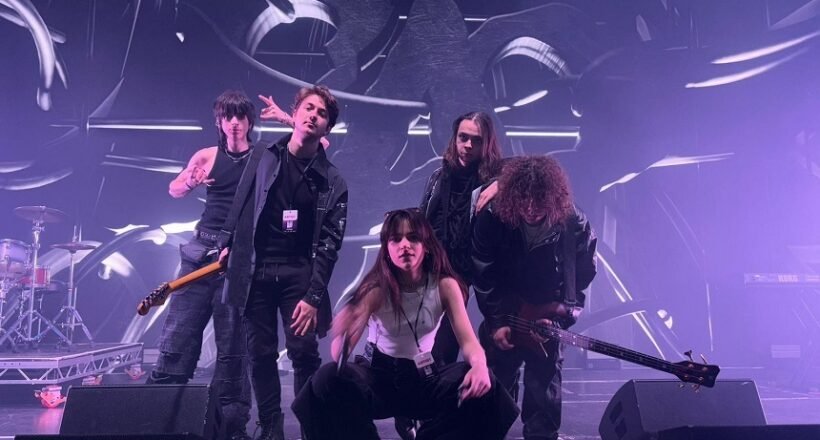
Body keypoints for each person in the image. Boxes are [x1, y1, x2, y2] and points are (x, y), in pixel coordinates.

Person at [292, 208, 519, 440]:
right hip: (379, 379)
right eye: (396, 239)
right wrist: (341, 334)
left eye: (413, 237)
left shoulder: (445, 286)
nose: (404, 245)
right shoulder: (376, 290)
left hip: (422, 379)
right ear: (387, 248)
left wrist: (480, 367)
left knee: (484, 384)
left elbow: (469, 343)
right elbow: (341, 355)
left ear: (426, 245)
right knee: (326, 379)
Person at [220, 85, 347, 440]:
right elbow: (241, 201)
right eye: (308, 108)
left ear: (327, 129)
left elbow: (329, 244)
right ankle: (270, 426)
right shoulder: (264, 155)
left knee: (304, 353)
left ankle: (311, 427)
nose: (313, 116)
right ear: (297, 111)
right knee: (259, 354)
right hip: (257, 270)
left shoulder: (332, 180)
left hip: (299, 274)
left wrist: (313, 297)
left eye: (321, 114)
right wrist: (227, 243)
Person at [147, 89, 256, 440]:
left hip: (236, 261)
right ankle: (157, 421)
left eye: (240, 116)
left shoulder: (262, 158)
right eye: (228, 117)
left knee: (233, 353)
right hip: (199, 257)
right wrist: (189, 181)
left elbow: (321, 149)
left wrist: (287, 120)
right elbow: (174, 188)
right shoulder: (207, 155)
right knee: (176, 341)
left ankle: (231, 430)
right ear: (219, 122)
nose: (235, 123)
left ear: (249, 120)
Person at [472, 155, 598, 440]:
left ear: (553, 196)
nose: (530, 208)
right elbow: (483, 272)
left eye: (538, 199)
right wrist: (497, 320)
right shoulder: (493, 218)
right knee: (493, 397)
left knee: (544, 396)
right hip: (505, 314)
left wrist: (560, 319)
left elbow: (582, 275)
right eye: (524, 199)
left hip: (546, 318)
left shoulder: (574, 224)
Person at [419, 111, 502, 365]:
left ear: (486, 143)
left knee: (443, 347)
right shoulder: (438, 177)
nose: (467, 146)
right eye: (462, 138)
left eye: (476, 140)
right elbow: (423, 219)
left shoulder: (490, 179)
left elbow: (529, 169)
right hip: (429, 271)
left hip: (463, 275)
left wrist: (502, 183)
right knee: (419, 348)